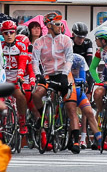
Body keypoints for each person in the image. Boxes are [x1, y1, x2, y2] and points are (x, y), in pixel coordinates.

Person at [31, 12, 81, 153]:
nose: (61, 26)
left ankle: (76, 141)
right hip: (47, 75)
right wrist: (38, 75)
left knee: (71, 108)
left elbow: (70, 59)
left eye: (61, 24)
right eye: (58, 24)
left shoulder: (66, 40)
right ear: (49, 25)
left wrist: (65, 75)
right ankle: (43, 119)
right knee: (36, 94)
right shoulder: (39, 42)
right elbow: (34, 61)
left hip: (64, 74)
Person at [0, 20, 30, 134]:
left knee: (21, 97)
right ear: (2, 34)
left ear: (15, 33)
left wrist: (20, 76)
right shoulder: (0, 46)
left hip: (15, 78)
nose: (9, 35)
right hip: (3, 79)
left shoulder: (20, 45)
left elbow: (23, 63)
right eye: (6, 33)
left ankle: (22, 122)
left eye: (11, 32)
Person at [71, 52, 104, 150]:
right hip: (67, 91)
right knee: (72, 113)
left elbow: (83, 79)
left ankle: (100, 140)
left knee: (89, 112)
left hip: (77, 90)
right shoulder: (59, 58)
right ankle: (75, 140)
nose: (74, 71)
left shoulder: (78, 59)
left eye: (75, 69)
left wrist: (84, 85)